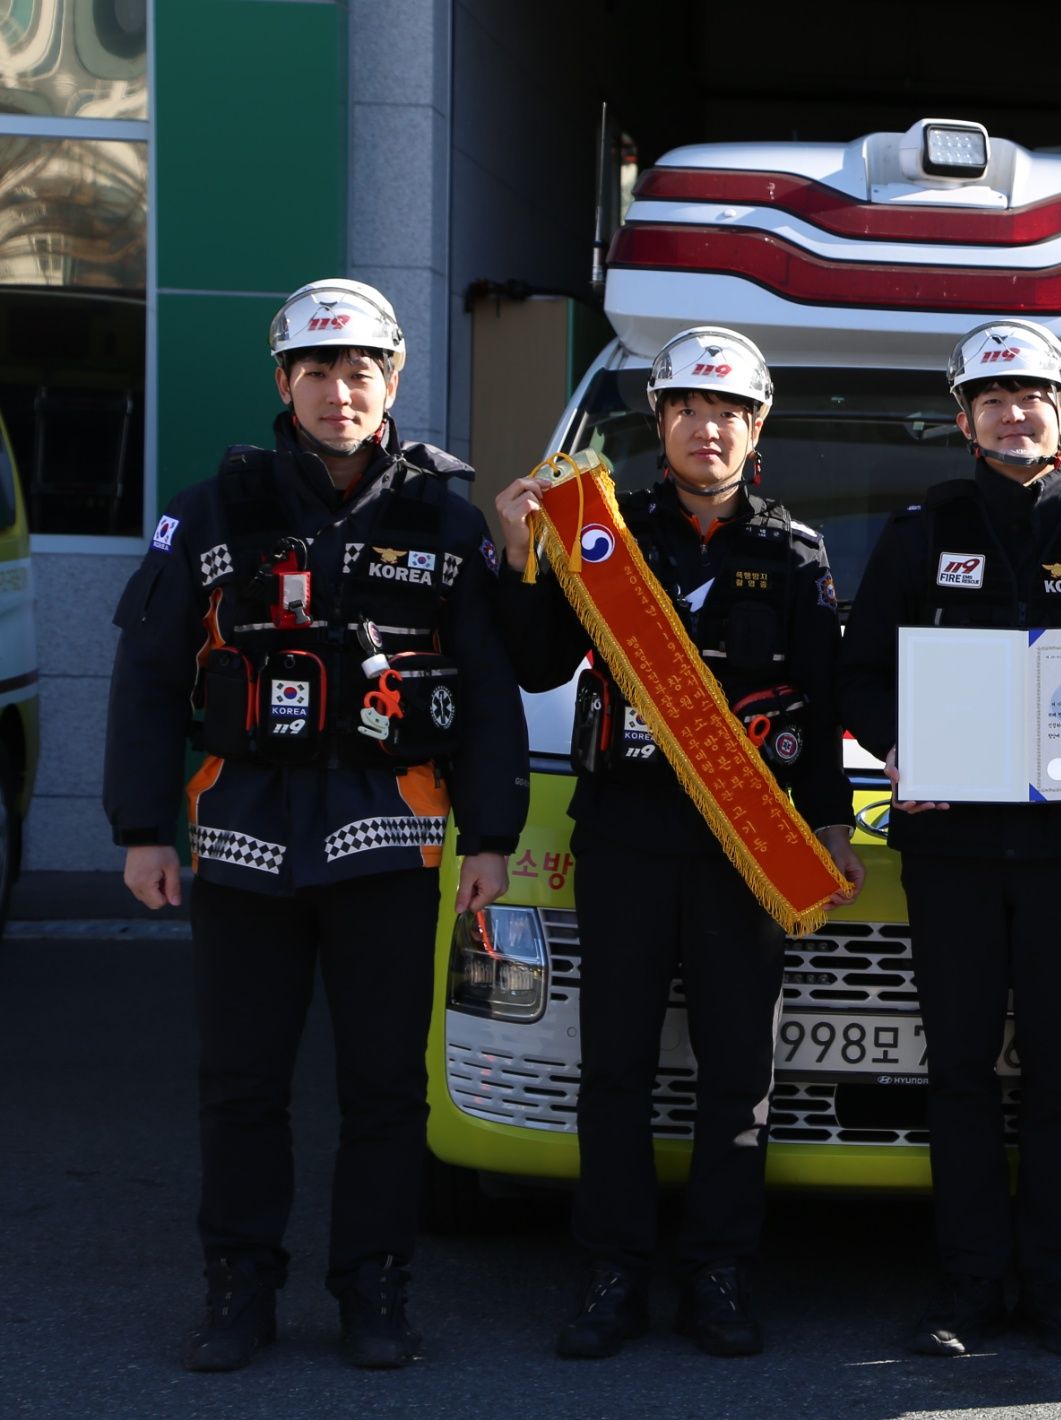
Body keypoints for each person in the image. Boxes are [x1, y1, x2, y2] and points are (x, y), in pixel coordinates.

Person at [102, 278, 528, 1371]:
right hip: (244, 832)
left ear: (393, 380)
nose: (343, 392)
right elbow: (148, 678)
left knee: (386, 1086)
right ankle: (238, 1285)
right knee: (242, 1084)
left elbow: (486, 687)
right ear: (284, 382)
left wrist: (491, 835)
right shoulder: (211, 510)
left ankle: (374, 1290)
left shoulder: (445, 514)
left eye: (363, 371)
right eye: (319, 371)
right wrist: (142, 828)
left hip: (390, 835)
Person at [492, 326, 863, 1360]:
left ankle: (720, 1271)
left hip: (743, 851)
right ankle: (612, 1271)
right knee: (611, 1065)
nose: (711, 428)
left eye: (731, 412)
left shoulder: (793, 552)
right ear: (661, 422)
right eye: (691, 409)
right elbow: (532, 665)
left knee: (737, 1070)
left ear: (758, 427)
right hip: (624, 835)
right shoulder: (602, 531)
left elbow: (822, 706)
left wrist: (829, 826)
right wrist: (521, 555)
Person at [837, 319, 1061, 1359]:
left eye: (1033, 394)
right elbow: (860, 674)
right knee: (957, 1071)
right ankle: (968, 1288)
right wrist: (900, 750)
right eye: (993, 398)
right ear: (964, 420)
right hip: (948, 847)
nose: (1014, 411)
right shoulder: (918, 529)